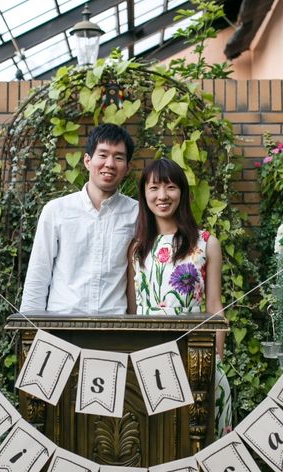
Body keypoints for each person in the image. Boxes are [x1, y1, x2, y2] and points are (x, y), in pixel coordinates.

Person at [126, 158, 232, 436]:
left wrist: (216, 358)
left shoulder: (206, 243)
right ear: (144, 194)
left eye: (170, 187)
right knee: (158, 441)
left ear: (182, 192)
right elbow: (133, 311)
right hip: (149, 363)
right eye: (154, 188)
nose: (162, 196)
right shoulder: (137, 248)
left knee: (202, 438)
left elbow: (214, 306)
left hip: (196, 357)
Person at [20, 124, 138, 314]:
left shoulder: (137, 214)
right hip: (62, 324)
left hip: (114, 326)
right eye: (103, 155)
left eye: (118, 157)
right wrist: (30, 326)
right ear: (87, 161)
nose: (109, 164)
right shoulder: (57, 211)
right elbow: (38, 275)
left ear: (127, 168)